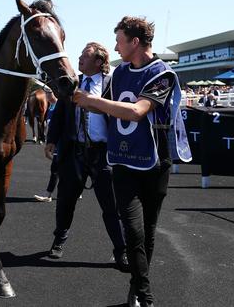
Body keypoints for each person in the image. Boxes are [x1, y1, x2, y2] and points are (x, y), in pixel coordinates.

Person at [74, 17, 191, 307]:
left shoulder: (163, 74)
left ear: (135, 42)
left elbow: (138, 111)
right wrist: (70, 96)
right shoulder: (120, 72)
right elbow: (107, 109)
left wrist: (91, 100)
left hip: (154, 163)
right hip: (123, 164)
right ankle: (146, 296)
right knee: (133, 230)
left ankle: (135, 287)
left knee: (147, 232)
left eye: (119, 40)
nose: (115, 46)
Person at [44, 42, 129, 273]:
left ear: (99, 62)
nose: (79, 59)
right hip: (75, 152)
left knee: (111, 206)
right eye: (80, 55)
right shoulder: (71, 83)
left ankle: (121, 250)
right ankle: (59, 239)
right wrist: (52, 139)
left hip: (104, 154)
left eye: (85, 56)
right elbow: (60, 113)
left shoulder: (113, 84)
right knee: (65, 201)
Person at [34, 89, 59, 202]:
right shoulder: (50, 106)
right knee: (61, 168)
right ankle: (76, 191)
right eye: (46, 94)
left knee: (55, 169)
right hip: (53, 141)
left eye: (49, 93)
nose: (47, 96)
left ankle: (48, 194)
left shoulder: (60, 105)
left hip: (60, 142)